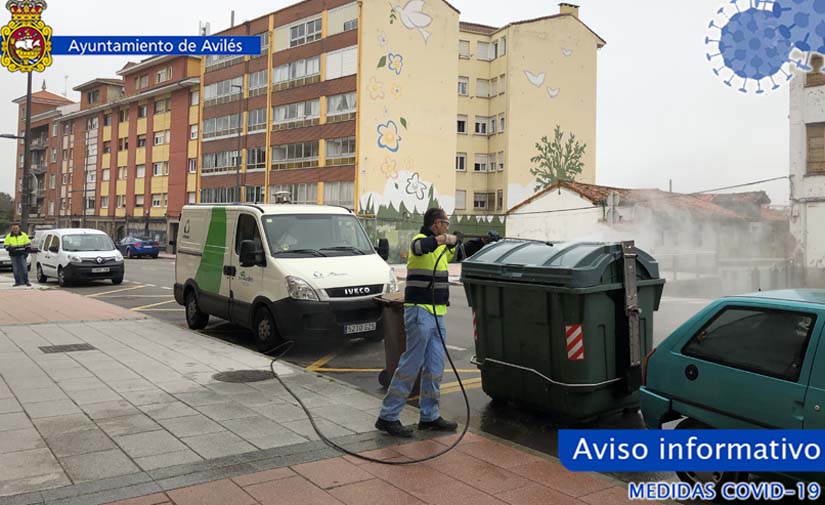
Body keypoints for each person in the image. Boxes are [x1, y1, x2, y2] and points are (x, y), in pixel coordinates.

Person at [375, 207, 500, 437]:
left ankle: (429, 416)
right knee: (411, 365)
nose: (448, 227)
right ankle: (388, 416)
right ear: (436, 224)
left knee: (434, 367)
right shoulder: (420, 241)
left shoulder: (441, 248)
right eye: (446, 223)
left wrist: (482, 241)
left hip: (437, 312)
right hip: (420, 311)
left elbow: (461, 251)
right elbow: (421, 247)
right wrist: (444, 239)